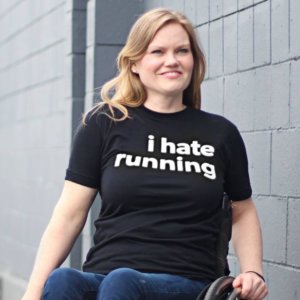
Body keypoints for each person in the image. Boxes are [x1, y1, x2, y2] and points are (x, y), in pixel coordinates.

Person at [22, 8, 268, 300]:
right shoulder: (104, 123)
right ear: (135, 62)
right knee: (63, 281)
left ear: (193, 60)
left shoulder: (220, 134)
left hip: (187, 281)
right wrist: (33, 291)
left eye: (182, 51)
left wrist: (253, 271)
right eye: (158, 52)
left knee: (123, 281)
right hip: (108, 275)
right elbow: (69, 214)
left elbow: (242, 210)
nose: (172, 60)